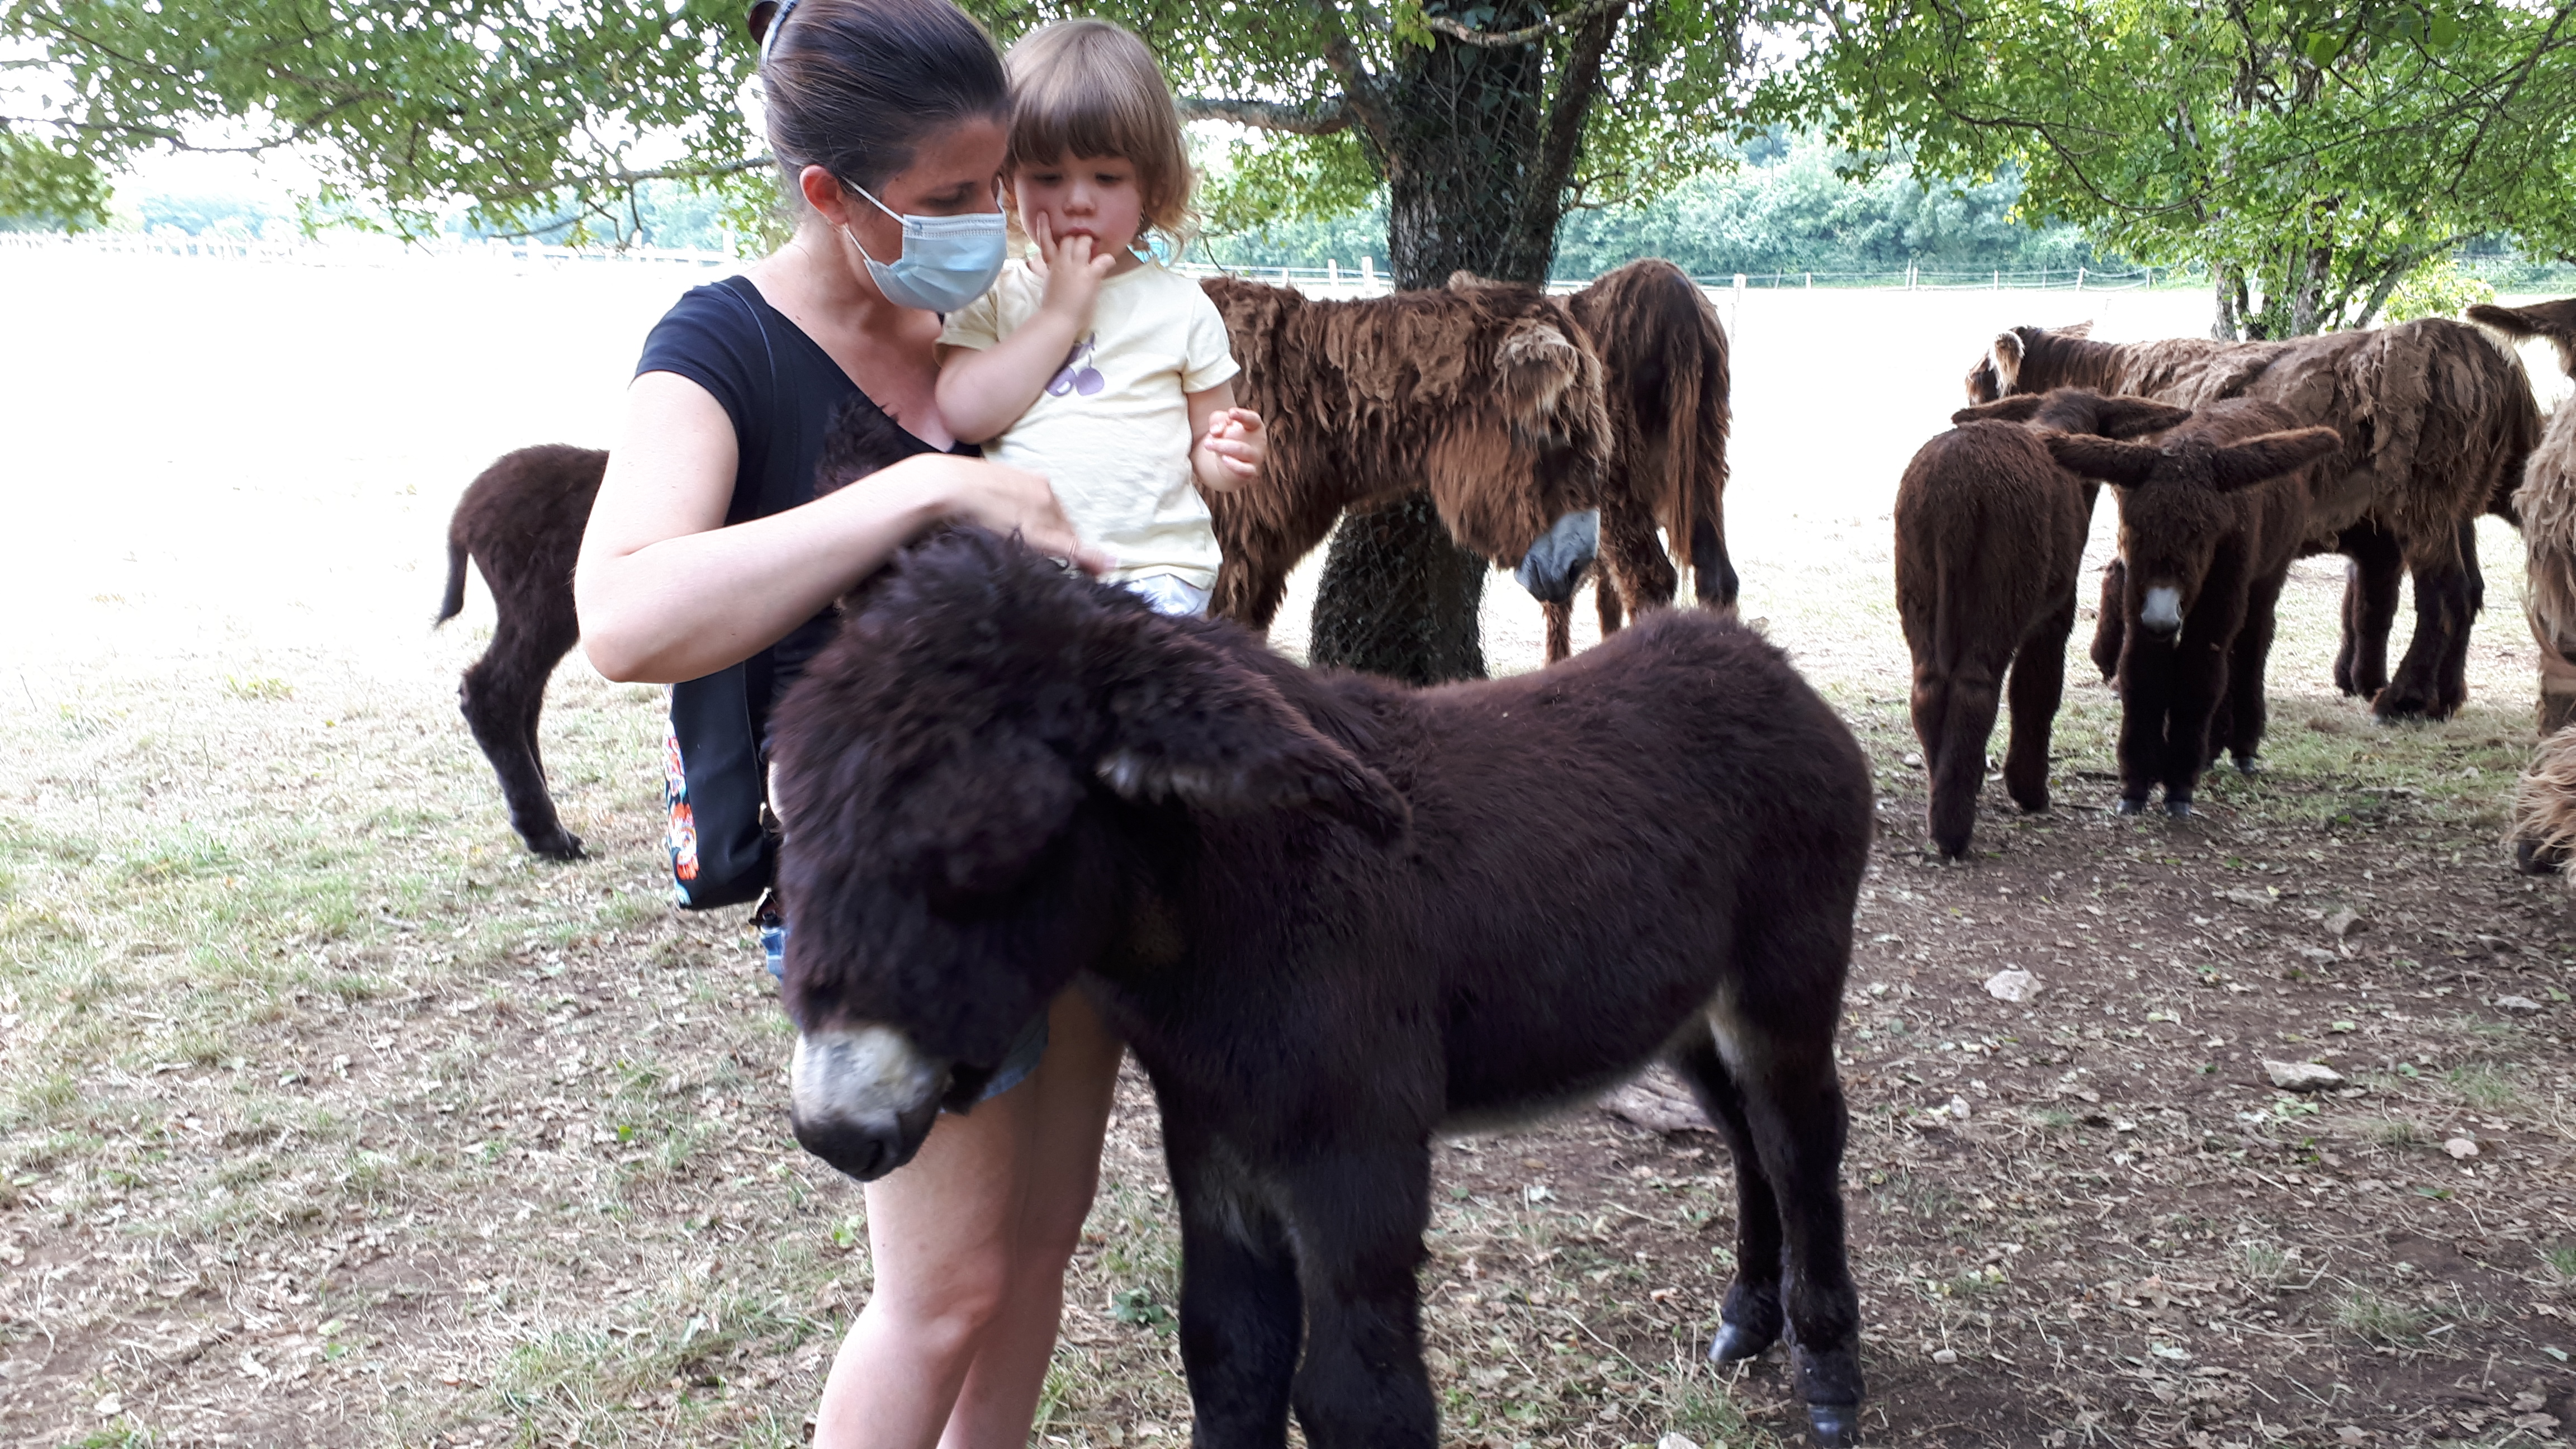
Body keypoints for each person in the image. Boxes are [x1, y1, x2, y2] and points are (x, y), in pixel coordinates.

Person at [571, 2, 1249, 1445]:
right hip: (896, 900)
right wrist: (924, 487)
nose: (987, 224)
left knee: (1032, 1257)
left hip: (1059, 858)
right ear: (830, 193)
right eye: (950, 201)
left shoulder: (977, 319)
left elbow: (1126, 456)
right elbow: (622, 617)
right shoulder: (722, 349)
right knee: (937, 1295)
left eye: (988, 187)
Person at [935, 17, 1266, 618]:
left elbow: (1208, 450)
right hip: (1025, 573)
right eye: (1047, 176)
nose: (1078, 199)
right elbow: (967, 413)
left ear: (1152, 187)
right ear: (1007, 184)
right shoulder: (993, 296)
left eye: (1108, 177)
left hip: (1159, 577)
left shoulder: (1182, 305)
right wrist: (1060, 314)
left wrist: (1231, 452)